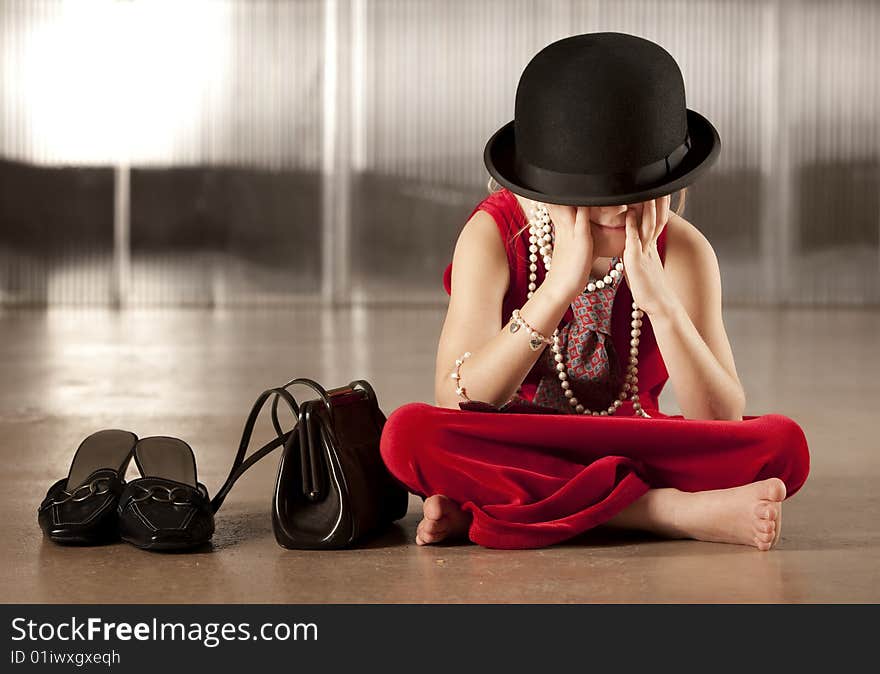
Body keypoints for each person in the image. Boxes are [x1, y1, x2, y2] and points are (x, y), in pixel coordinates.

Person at [378, 32, 810, 551]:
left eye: (635, 195)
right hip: (519, 440)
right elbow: (459, 397)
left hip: (633, 438)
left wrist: (661, 304)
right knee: (407, 436)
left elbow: (718, 421)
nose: (612, 213)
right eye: (584, 198)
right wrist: (558, 286)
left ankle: (500, 505)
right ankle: (663, 512)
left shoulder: (684, 252)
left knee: (783, 445)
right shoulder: (494, 234)